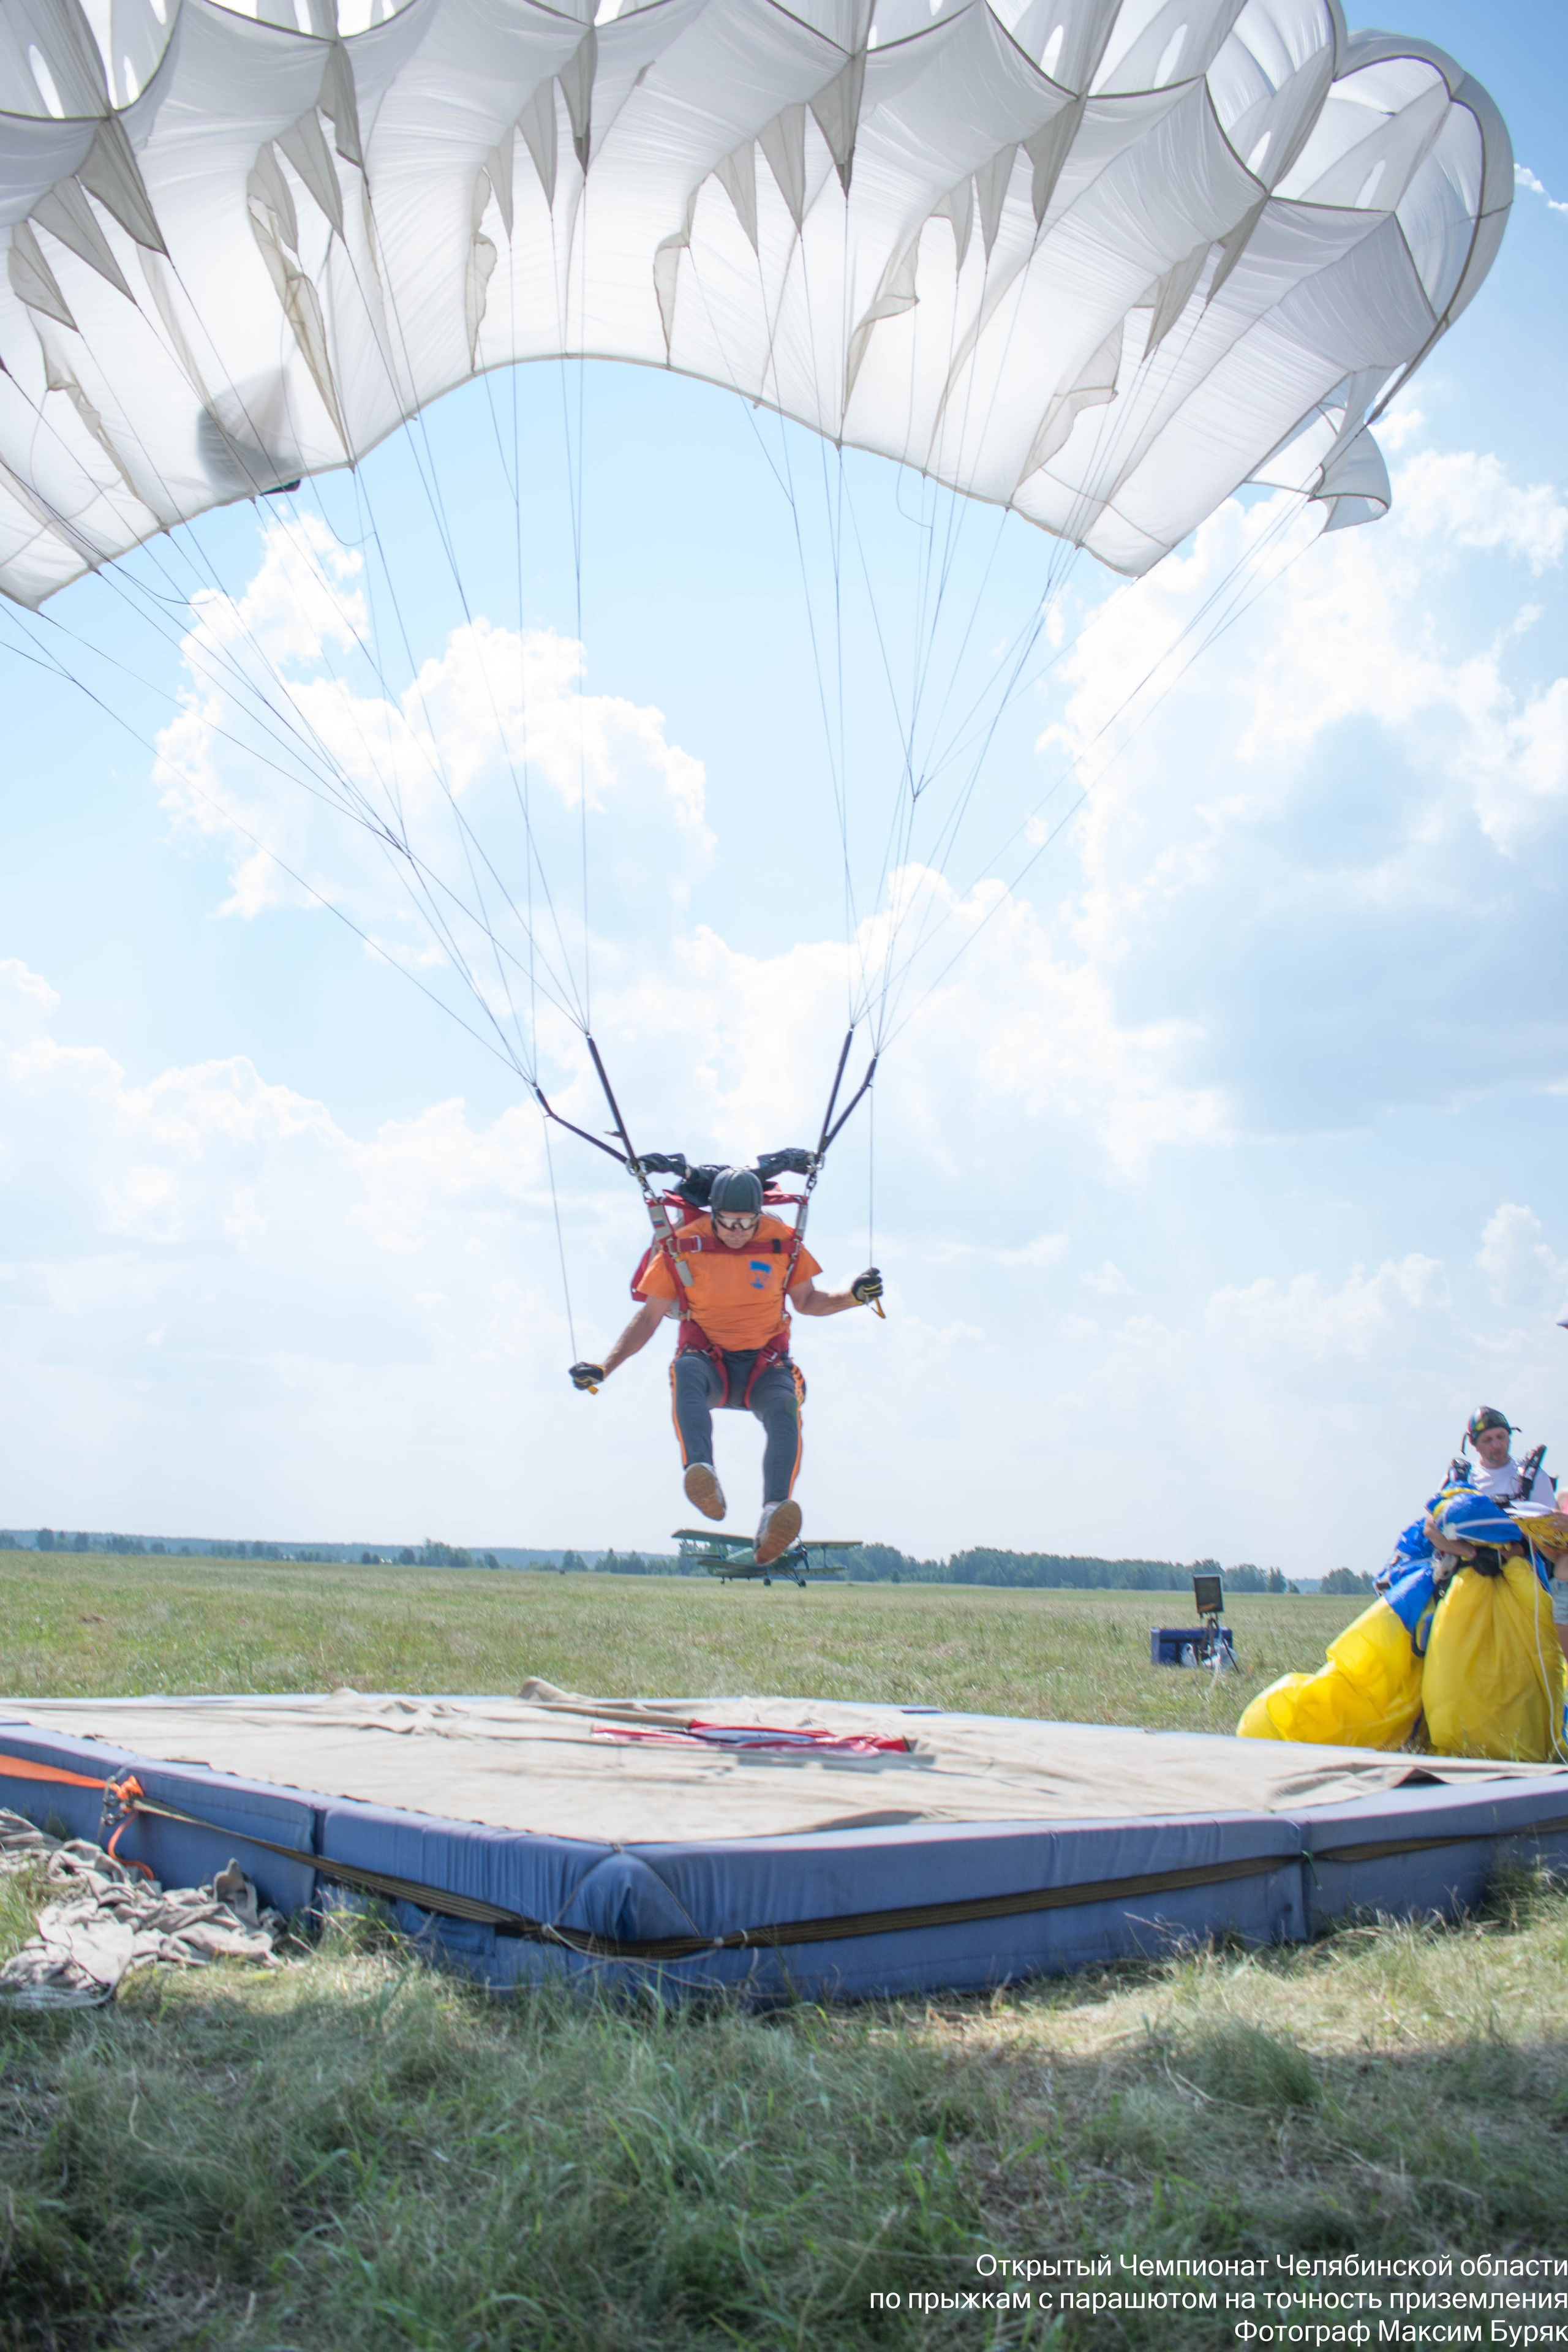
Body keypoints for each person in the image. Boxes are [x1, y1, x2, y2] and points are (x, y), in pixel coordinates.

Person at [568, 1165, 883, 1566]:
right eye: (728, 1223)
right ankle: (702, 1473)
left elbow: (807, 1302)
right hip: (708, 1361)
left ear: (759, 1215)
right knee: (686, 1372)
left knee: (787, 1411)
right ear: (712, 1214)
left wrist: (855, 1296)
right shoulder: (682, 1246)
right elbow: (648, 1319)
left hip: (765, 1365)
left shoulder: (783, 1243)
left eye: (746, 1223)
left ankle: (774, 1514)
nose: (737, 1232)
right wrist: (604, 1367)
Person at [1458, 1406, 1556, 1510]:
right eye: (1487, 1440)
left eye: (1501, 1437)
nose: (1496, 1445)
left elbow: (1554, 1522)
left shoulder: (1533, 1477)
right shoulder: (1462, 1478)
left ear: (1509, 1438)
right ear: (1475, 1445)